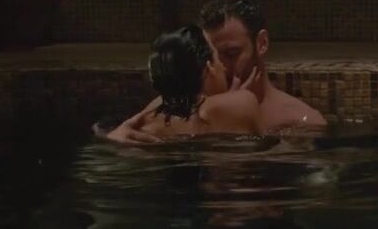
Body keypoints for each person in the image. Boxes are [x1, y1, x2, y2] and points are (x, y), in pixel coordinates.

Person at [103, 0, 326, 143]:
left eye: (231, 54)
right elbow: (122, 135)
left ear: (262, 44)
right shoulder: (178, 104)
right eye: (212, 56)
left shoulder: (300, 120)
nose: (220, 65)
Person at [100, 25, 262, 142]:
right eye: (217, 57)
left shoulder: (149, 122)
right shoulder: (244, 102)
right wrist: (236, 98)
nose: (224, 67)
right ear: (209, 67)